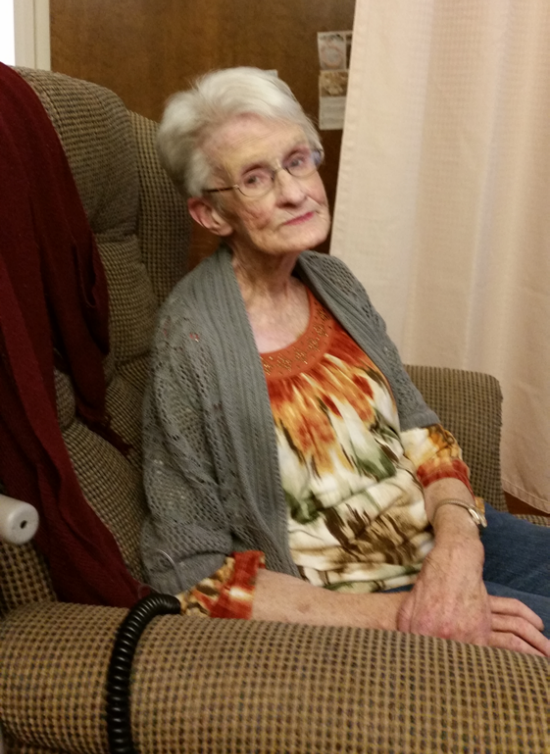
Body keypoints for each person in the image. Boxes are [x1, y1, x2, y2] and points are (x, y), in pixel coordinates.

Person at [141, 67, 550, 657]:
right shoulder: (190, 344)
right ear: (211, 214)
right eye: (255, 178)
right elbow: (190, 568)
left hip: (439, 533)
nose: (295, 191)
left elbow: (416, 426)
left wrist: (460, 544)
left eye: (297, 161)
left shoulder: (332, 281)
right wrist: (402, 617)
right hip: (362, 593)